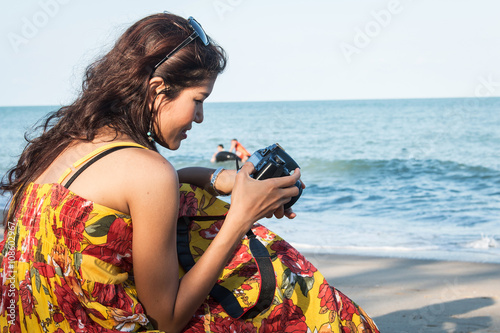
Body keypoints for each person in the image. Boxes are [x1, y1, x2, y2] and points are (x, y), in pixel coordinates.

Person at [0, 13, 379, 333]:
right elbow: (167, 317)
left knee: (191, 205)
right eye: (198, 101)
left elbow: (132, 195)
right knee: (291, 289)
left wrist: (221, 181)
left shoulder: (66, 147)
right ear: (158, 89)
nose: (199, 117)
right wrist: (241, 216)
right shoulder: (148, 172)